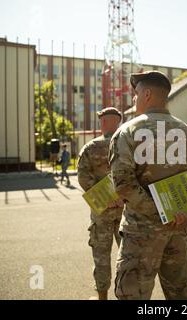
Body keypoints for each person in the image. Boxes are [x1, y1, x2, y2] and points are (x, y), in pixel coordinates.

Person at [109, 71, 187, 300]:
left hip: (142, 233)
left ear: (146, 94)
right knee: (182, 296)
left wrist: (160, 211)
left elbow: (124, 185)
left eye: (136, 94)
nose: (134, 99)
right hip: (181, 227)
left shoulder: (128, 132)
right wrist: (178, 210)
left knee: (133, 296)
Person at [77, 107, 124, 300]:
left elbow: (83, 178)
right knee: (128, 255)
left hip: (102, 211)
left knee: (101, 256)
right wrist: (122, 198)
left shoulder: (90, 147)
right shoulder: (129, 145)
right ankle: (127, 294)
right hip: (126, 210)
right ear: (119, 122)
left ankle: (102, 297)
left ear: (103, 123)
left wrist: (106, 199)